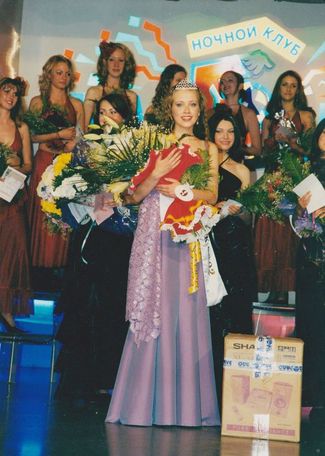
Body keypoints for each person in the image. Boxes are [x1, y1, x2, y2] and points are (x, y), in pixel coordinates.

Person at [106, 80, 222, 427]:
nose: (186, 111)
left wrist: (184, 190)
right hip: (155, 233)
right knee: (155, 308)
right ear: (169, 109)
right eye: (179, 105)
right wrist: (156, 173)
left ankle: (186, 409)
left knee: (186, 312)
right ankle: (142, 405)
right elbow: (131, 196)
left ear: (200, 110)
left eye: (192, 105)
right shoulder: (154, 143)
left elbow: (212, 193)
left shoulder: (209, 148)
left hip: (187, 237)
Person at [55, 91, 135, 402]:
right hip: (88, 234)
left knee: (109, 307)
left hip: (114, 239)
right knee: (80, 304)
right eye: (102, 112)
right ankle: (76, 379)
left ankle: (106, 379)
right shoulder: (85, 145)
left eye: (113, 112)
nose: (106, 117)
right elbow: (70, 185)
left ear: (123, 117)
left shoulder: (132, 149)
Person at [208, 111, 256, 406]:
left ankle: (236, 390)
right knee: (213, 311)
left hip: (236, 244)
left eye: (230, 131)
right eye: (219, 131)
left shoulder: (242, 170)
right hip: (210, 241)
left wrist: (237, 209)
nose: (225, 136)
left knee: (236, 310)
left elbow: (250, 213)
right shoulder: (205, 164)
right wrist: (217, 206)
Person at [255, 70, 315, 304]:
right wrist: (273, 141)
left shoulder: (306, 116)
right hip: (272, 179)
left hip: (296, 180)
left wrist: (292, 142)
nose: (288, 89)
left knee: (290, 235)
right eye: (284, 85)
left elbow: (312, 151)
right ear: (278, 88)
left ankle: (286, 290)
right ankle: (272, 289)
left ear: (298, 89)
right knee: (270, 234)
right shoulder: (269, 118)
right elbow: (262, 152)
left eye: (293, 85)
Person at [27, 55, 84, 275]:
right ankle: (37, 267)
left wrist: (72, 143)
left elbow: (82, 137)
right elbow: (31, 137)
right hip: (43, 162)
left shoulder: (77, 105)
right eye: (59, 72)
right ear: (49, 74)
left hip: (64, 164)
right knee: (42, 211)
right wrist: (58, 134)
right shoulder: (38, 102)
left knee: (62, 211)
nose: (63, 77)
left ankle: (59, 266)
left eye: (67, 73)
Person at [294, 119, 325, 426]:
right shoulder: (307, 170)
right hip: (310, 254)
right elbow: (294, 219)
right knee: (311, 323)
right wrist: (302, 209)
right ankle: (309, 395)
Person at [0, 77, 33, 333]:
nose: (11, 97)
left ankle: (6, 309)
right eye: (6, 91)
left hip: (12, 198)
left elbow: (28, 166)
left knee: (14, 250)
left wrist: (14, 166)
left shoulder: (21, 126)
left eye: (15, 93)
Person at [208, 71, 261, 159]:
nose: (225, 84)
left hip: (237, 164)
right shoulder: (210, 112)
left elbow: (257, 150)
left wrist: (237, 149)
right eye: (222, 81)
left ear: (240, 86)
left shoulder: (248, 114)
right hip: (214, 163)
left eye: (230, 80)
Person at [84, 41, 137, 127]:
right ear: (105, 62)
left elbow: (132, 127)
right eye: (111, 59)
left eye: (121, 60)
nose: (116, 64)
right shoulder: (94, 92)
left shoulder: (132, 96)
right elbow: (84, 127)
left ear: (126, 64)